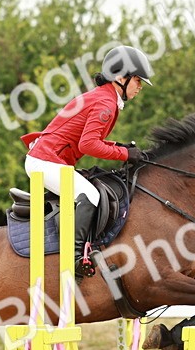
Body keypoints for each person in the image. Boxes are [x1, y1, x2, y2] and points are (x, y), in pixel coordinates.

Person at [20, 45, 153, 278]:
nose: (140, 86)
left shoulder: (104, 97)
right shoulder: (105, 103)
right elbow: (88, 145)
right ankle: (75, 256)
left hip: (48, 159)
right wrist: (124, 154)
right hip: (45, 161)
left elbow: (90, 140)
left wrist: (120, 147)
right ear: (121, 78)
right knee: (90, 195)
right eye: (137, 80)